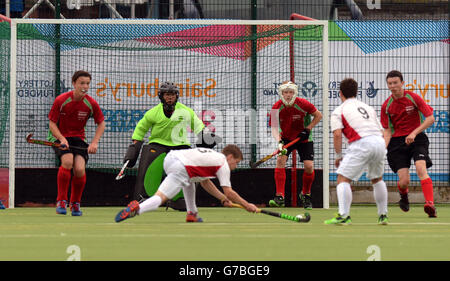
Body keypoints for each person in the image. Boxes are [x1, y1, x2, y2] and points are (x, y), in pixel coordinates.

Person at [123, 81, 220, 211]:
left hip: (180, 146)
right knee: (150, 164)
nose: (169, 98)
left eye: (172, 95)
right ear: (161, 96)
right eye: (167, 95)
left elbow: (198, 125)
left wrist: (206, 137)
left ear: (176, 96)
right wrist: (134, 148)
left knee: (188, 170)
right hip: (157, 144)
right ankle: (145, 196)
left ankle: (179, 199)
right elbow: (141, 129)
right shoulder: (153, 113)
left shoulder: (186, 111)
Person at [115, 145, 258, 223]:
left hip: (171, 158)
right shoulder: (223, 164)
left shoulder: (213, 156)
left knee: (190, 181)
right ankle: (137, 208)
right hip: (181, 166)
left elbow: (205, 182)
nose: (235, 166)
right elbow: (230, 192)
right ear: (230, 157)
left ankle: (192, 213)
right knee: (160, 198)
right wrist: (247, 205)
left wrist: (222, 199)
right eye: (236, 163)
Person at [325, 78, 388, 225]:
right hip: (379, 142)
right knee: (377, 179)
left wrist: (338, 155)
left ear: (340, 93)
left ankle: (343, 216)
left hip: (362, 143)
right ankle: (383, 215)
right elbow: (381, 130)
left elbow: (337, 134)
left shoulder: (338, 111)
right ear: (356, 92)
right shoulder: (367, 107)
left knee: (342, 179)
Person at [48, 70, 105, 216]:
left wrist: (94, 143)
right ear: (74, 84)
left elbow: (101, 123)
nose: (85, 86)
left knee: (79, 169)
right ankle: (61, 201)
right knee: (67, 162)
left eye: (87, 83)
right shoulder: (62, 100)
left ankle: (75, 203)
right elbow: (52, 124)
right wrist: (61, 139)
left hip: (79, 139)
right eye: (81, 83)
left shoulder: (90, 103)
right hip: (60, 137)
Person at [381, 70, 436, 217]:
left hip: (417, 138)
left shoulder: (413, 97)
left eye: (395, 83)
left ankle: (430, 205)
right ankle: (404, 195)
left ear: (402, 83)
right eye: (390, 84)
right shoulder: (387, 106)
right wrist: (382, 149)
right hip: (397, 143)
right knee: (404, 181)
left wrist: (414, 133)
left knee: (420, 168)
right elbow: (386, 131)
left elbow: (430, 118)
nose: (393, 86)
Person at [268, 81, 322, 209]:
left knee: (309, 166)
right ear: (281, 93)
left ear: (295, 93)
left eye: (290, 92)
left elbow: (318, 116)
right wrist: (280, 142)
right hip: (286, 138)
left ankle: (306, 194)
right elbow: (275, 128)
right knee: (280, 160)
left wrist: (308, 129)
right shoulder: (277, 106)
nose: (288, 95)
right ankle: (279, 196)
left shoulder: (303, 104)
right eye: (285, 92)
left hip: (304, 138)